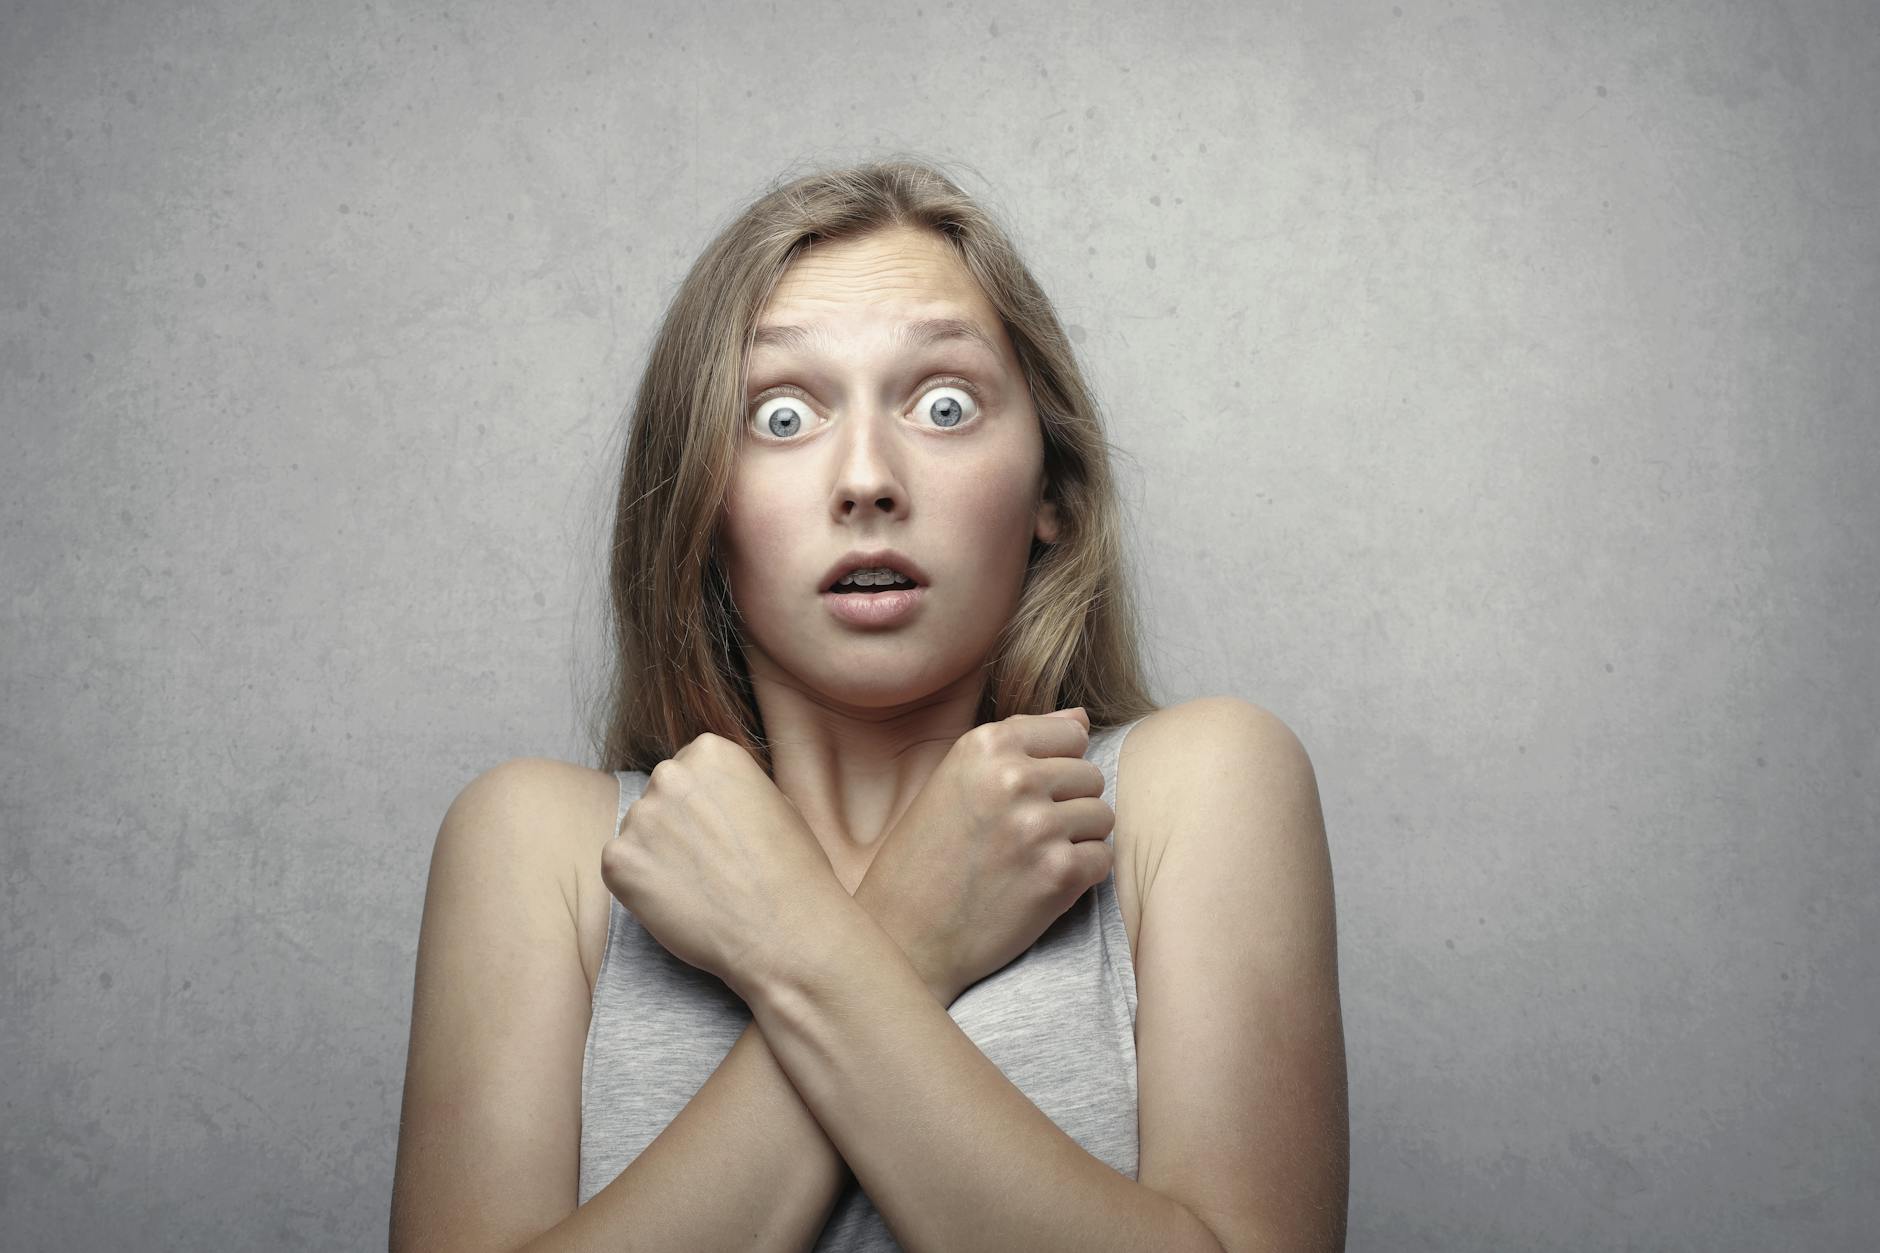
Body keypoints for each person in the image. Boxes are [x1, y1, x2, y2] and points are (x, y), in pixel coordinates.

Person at [389, 157, 1348, 1252]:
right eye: (782, 415)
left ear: (1052, 492)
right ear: (699, 502)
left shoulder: (1198, 789)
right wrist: (906, 928)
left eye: (943, 405)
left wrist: (795, 944)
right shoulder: (537, 846)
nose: (866, 478)